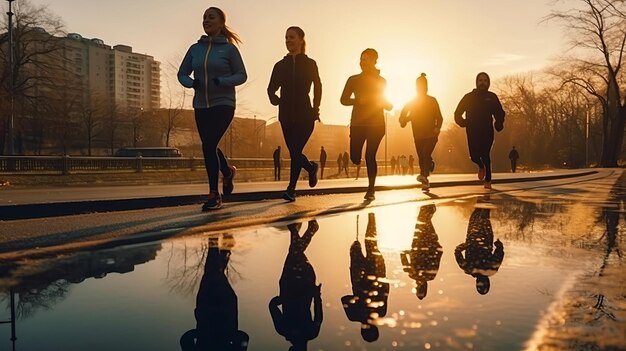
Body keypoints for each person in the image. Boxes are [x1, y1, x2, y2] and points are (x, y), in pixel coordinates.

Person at [178, 7, 247, 211]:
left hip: (224, 103)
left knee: (208, 145)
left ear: (221, 23)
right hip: (201, 105)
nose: (206, 20)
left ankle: (214, 195)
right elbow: (182, 73)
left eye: (211, 17)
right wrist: (191, 83)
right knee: (210, 145)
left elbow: (242, 75)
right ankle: (227, 172)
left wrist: (222, 81)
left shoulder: (229, 50)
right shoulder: (194, 49)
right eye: (204, 18)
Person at [267, 26, 322, 202]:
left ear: (301, 40)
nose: (288, 40)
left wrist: (316, 108)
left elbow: (318, 87)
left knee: (296, 150)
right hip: (286, 115)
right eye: (286, 38)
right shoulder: (280, 65)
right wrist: (274, 99)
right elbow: (271, 88)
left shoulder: (310, 63)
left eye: (292, 37)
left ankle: (291, 189)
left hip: (306, 114)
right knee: (294, 151)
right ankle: (311, 168)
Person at [180, 234, 249, 351]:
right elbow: (186, 339)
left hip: (220, 313)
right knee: (212, 274)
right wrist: (198, 333)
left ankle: (223, 247)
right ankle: (214, 241)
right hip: (212, 313)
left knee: (214, 273)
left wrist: (199, 333)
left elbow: (243, 338)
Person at [340, 48, 393, 200]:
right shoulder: (353, 80)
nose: (362, 62)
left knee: (370, 155)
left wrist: (387, 104)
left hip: (376, 125)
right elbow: (343, 100)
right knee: (355, 158)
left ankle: (371, 190)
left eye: (366, 59)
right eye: (361, 59)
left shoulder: (381, 81)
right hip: (358, 123)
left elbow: (382, 99)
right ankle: (359, 161)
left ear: (374, 61)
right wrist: (358, 101)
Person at [269, 220, 322, 351]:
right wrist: (282, 299)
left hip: (303, 287)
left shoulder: (310, 332)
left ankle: (307, 230)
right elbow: (272, 306)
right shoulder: (284, 330)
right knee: (295, 252)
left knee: (295, 251)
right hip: (291, 286)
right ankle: (296, 230)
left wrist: (316, 295)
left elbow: (319, 314)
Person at [341, 213, 389, 342]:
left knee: (371, 243)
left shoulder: (381, 313)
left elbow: (386, 290)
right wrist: (358, 301)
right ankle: (371, 215)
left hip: (375, 275)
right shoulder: (353, 315)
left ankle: (371, 215)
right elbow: (345, 299)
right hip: (359, 278)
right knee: (360, 247)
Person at [454, 72, 505, 189]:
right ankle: (481, 166)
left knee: (485, 153)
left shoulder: (491, 97)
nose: (483, 83)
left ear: (488, 83)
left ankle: (488, 179)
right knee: (474, 156)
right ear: (477, 82)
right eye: (480, 80)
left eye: (485, 81)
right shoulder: (468, 97)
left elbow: (499, 112)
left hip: (487, 130)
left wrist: (499, 123)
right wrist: (462, 122)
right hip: (472, 130)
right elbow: (458, 113)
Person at [399, 73, 443, 190]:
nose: (421, 88)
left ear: (426, 87)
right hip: (418, 135)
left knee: (425, 152)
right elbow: (403, 115)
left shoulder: (432, 101)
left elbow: (440, 117)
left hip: (431, 134)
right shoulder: (412, 102)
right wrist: (403, 121)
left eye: (423, 85)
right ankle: (426, 180)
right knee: (422, 157)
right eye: (419, 85)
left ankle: (424, 175)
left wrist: (437, 128)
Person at [455, 196, 505, 295]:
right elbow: (457, 253)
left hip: (483, 239)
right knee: (478, 216)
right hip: (474, 238)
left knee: (483, 217)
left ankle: (484, 198)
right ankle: (483, 198)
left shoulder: (489, 270)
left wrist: (498, 245)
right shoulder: (469, 269)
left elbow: (499, 254)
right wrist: (463, 246)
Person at [400, 204, 442, 300]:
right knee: (422, 221)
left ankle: (429, 207)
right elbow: (403, 259)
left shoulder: (431, 276)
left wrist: (438, 247)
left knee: (424, 221)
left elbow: (438, 257)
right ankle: (428, 208)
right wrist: (406, 253)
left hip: (429, 243)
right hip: (420, 243)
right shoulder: (413, 274)